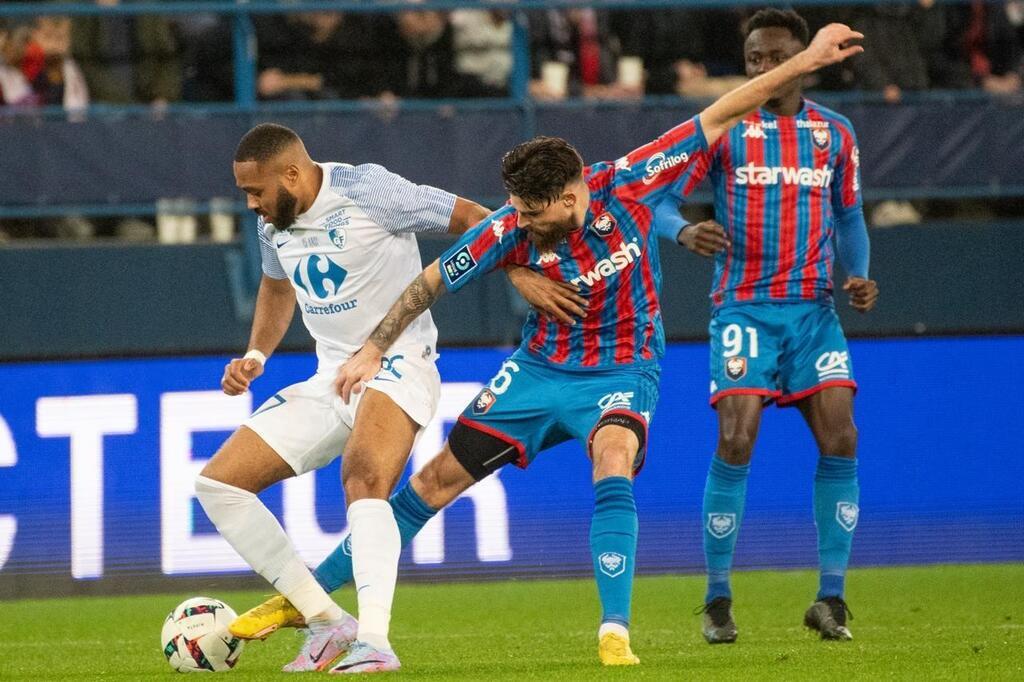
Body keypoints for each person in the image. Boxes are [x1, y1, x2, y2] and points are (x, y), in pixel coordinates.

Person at [252, 23, 859, 674]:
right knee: (430, 484)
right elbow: (426, 284)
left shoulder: (631, 182)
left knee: (614, 458)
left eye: (532, 213)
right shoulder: (509, 228)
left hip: (625, 365)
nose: (520, 223)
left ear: (571, 196)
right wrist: (373, 349)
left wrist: (807, 58)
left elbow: (723, 111)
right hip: (539, 372)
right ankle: (305, 601)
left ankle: (614, 633)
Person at [195, 123, 562, 673]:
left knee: (363, 476)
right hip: (332, 377)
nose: (251, 206)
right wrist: (256, 356)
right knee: (218, 485)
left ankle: (375, 641)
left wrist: (516, 273)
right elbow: (277, 287)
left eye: (256, 192)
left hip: (400, 365)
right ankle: (325, 621)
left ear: (291, 174)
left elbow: (470, 218)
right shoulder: (277, 222)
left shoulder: (369, 191)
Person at [655, 8, 878, 645]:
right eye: (753, 58)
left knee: (842, 437)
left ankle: (830, 597)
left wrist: (857, 274)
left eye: (774, 56)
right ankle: (718, 597)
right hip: (744, 308)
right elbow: (661, 200)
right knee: (736, 439)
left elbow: (850, 215)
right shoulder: (725, 129)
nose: (762, 67)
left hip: (814, 312)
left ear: (802, 57)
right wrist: (684, 228)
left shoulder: (835, 134)